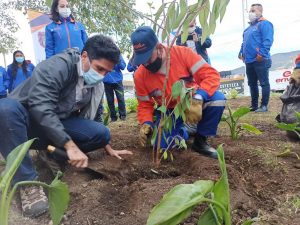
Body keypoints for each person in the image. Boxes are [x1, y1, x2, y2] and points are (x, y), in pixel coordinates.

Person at [0, 35, 132, 218]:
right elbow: (41, 106)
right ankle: (27, 183)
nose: (101, 76)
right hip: (26, 123)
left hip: (56, 126)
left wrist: (108, 146)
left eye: (106, 72)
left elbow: (94, 117)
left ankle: (51, 151)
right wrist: (70, 145)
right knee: (5, 109)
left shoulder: (95, 85)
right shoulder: (58, 66)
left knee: (101, 133)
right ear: (84, 56)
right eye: (99, 68)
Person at [131, 26, 226, 159]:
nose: (146, 63)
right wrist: (146, 122)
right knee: (163, 146)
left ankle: (200, 141)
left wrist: (199, 97)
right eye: (142, 59)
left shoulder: (182, 54)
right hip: (169, 113)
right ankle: (184, 131)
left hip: (191, 103)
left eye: (148, 57)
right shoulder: (140, 75)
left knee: (217, 100)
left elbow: (211, 76)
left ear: (158, 47)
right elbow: (144, 104)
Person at [238, 3, 274, 112]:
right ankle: (254, 105)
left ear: (260, 11)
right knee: (252, 83)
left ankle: (264, 106)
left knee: (263, 83)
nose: (250, 13)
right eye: (250, 11)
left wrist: (261, 54)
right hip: (249, 60)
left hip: (260, 59)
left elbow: (268, 40)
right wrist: (241, 53)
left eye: (253, 11)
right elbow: (244, 43)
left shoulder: (265, 24)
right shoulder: (248, 29)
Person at [103, 55, 127, 121]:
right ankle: (113, 117)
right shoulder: (103, 54)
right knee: (110, 100)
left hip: (118, 81)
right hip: (107, 81)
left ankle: (123, 115)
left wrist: (118, 59)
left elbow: (123, 67)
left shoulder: (118, 55)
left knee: (121, 98)